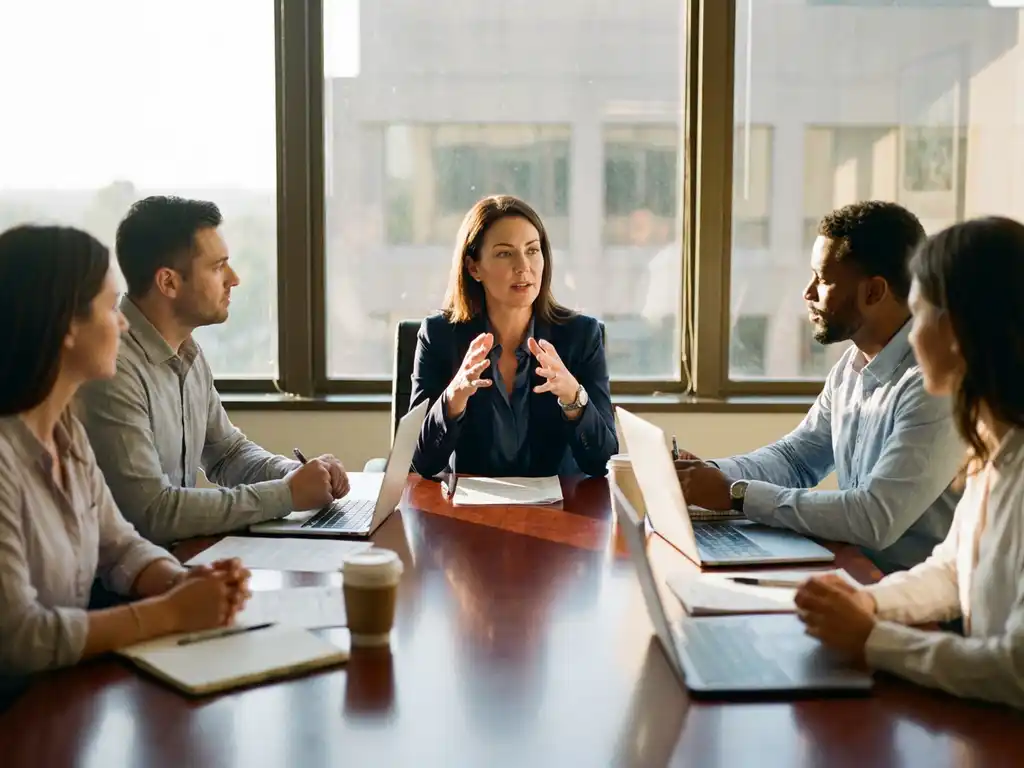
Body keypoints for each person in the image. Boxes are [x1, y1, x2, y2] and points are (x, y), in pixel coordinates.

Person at [0, 225, 250, 690]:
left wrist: (183, 584)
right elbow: (19, 637)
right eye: (106, 306)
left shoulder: (65, 432)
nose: (121, 322)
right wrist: (169, 613)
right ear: (65, 326)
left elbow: (119, 547)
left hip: (60, 695)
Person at [795, 216, 1024, 709]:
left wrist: (872, 639)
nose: (910, 338)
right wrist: (868, 604)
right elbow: (952, 572)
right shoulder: (995, 451)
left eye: (918, 316)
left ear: (958, 332)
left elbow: (1016, 671)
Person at [675, 201, 963, 573]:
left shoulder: (930, 385)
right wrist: (705, 475)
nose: (807, 293)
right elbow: (795, 459)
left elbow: (873, 518)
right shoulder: (851, 367)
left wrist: (736, 494)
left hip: (906, 592)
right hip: (849, 567)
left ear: (874, 291)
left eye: (823, 280)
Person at [77, 196, 349, 546]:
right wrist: (286, 495)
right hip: (129, 580)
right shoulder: (112, 368)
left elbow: (228, 453)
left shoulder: (187, 351)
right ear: (169, 283)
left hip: (175, 561)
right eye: (218, 267)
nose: (234, 279)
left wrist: (294, 473)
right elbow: (151, 513)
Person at [409, 195, 617, 478]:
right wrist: (453, 397)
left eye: (532, 250)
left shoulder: (580, 336)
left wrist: (573, 397)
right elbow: (421, 463)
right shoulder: (439, 336)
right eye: (505, 253)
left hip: (561, 513)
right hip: (468, 513)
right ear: (473, 267)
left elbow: (602, 462)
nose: (523, 267)